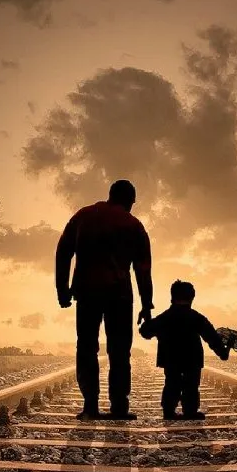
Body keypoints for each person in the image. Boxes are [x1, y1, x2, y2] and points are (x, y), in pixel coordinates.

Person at [55, 180, 153, 420]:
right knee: (120, 351)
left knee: (86, 347)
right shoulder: (134, 225)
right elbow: (143, 269)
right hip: (120, 294)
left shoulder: (83, 216)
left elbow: (63, 252)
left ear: (110, 195)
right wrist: (146, 305)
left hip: (87, 292)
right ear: (130, 200)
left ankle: (90, 406)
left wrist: (63, 290)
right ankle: (119, 407)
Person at [139, 279, 229, 420]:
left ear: (172, 297)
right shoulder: (196, 317)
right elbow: (211, 336)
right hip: (192, 359)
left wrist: (147, 321)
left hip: (170, 358)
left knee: (171, 383)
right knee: (191, 385)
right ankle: (190, 411)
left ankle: (168, 411)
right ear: (192, 298)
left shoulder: (164, 317)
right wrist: (223, 353)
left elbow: (145, 332)